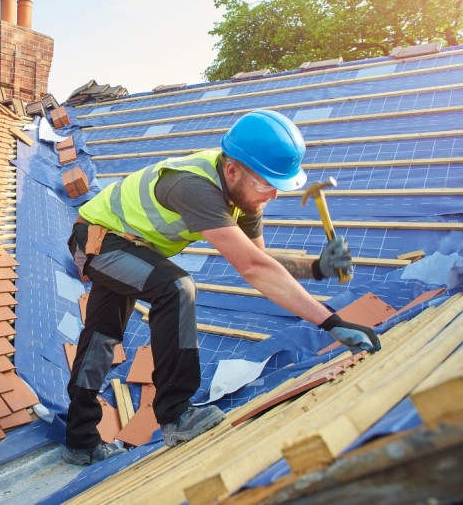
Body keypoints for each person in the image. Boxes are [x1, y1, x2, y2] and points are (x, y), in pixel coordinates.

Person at [61, 109, 381, 466]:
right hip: (97, 240)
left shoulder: (246, 195)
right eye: (266, 184)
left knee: (102, 338)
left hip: (130, 246)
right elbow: (254, 269)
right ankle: (176, 414)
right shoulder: (193, 186)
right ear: (232, 171)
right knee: (176, 288)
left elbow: (260, 261)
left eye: (278, 186)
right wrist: (331, 322)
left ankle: (80, 440)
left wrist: (316, 268)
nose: (272, 195)